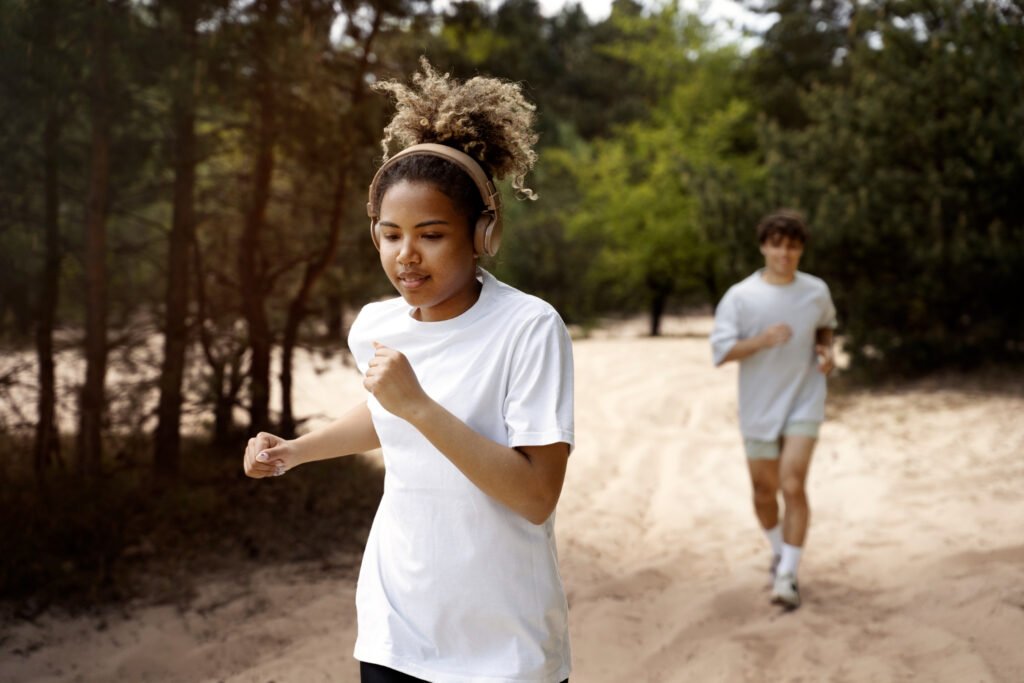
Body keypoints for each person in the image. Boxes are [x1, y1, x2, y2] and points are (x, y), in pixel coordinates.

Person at [242, 59, 574, 683]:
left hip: (505, 645)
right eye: (390, 234)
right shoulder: (375, 325)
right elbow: (382, 415)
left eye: (431, 234)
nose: (406, 255)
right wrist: (293, 451)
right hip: (396, 628)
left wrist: (419, 404)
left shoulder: (529, 329)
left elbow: (535, 496)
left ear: (484, 232)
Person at [709, 209, 837, 609]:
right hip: (759, 406)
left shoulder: (816, 290)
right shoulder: (741, 296)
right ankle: (780, 549)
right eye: (778, 244)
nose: (785, 253)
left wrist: (826, 350)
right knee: (764, 492)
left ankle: (787, 576)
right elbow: (721, 351)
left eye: (793, 245)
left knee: (793, 484)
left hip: (805, 397)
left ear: (801, 250)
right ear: (764, 246)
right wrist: (761, 340)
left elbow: (825, 325)